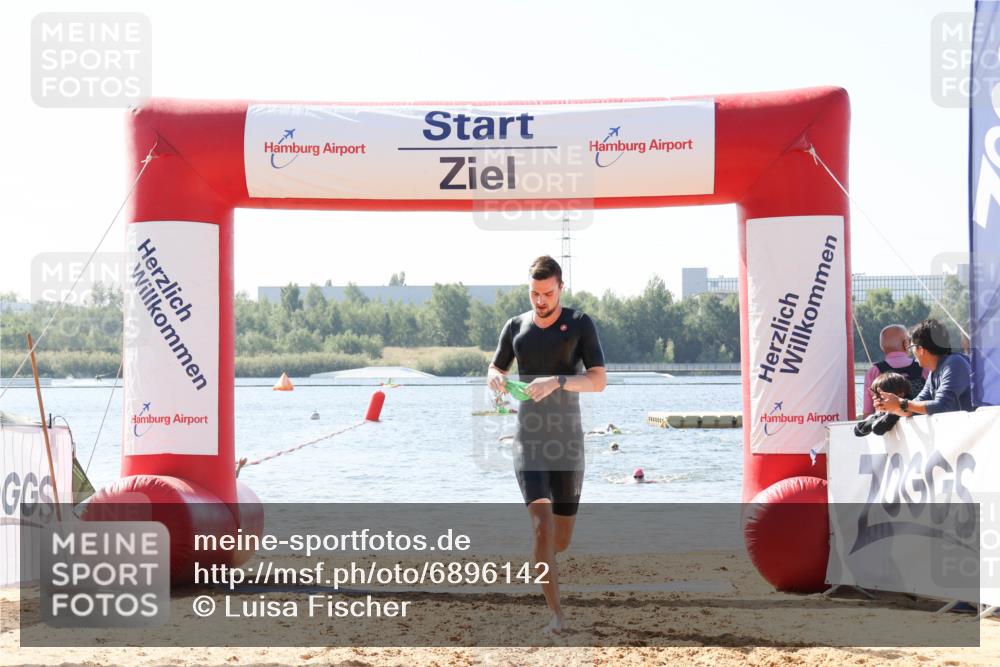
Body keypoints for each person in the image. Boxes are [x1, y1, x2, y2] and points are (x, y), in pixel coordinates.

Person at [486, 255, 607, 635]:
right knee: (541, 526)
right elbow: (496, 367)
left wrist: (557, 380)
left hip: (568, 442)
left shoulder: (580, 325)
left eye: (547, 293)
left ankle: (543, 559)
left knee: (561, 539)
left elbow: (598, 380)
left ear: (561, 289)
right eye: (534, 293)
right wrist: (495, 381)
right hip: (529, 441)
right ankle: (557, 617)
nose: (540, 301)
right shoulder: (516, 327)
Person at [875, 319, 973, 417]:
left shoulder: (955, 364)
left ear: (920, 349)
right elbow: (915, 407)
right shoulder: (933, 372)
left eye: (911, 347)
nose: (911, 353)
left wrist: (900, 403)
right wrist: (889, 406)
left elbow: (941, 406)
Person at [862, 324, 927, 417]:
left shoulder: (873, 371)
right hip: (919, 423)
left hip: (885, 426)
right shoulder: (923, 366)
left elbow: (868, 411)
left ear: (882, 347)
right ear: (906, 344)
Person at [854, 372, 910, 437]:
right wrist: (878, 413)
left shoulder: (903, 409)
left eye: (881, 396)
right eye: (875, 396)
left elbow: (878, 429)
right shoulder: (884, 411)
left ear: (900, 395)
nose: (878, 400)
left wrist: (885, 412)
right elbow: (858, 431)